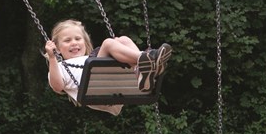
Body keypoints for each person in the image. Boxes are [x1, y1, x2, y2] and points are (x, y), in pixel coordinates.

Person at [43, 19, 172, 115]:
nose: (74, 43)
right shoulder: (58, 66)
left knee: (124, 40)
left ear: (85, 42)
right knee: (108, 43)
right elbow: (58, 86)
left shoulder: (89, 57)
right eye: (67, 40)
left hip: (112, 83)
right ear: (57, 48)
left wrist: (119, 45)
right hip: (94, 90)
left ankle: (144, 71)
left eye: (78, 39)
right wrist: (52, 58)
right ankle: (149, 60)